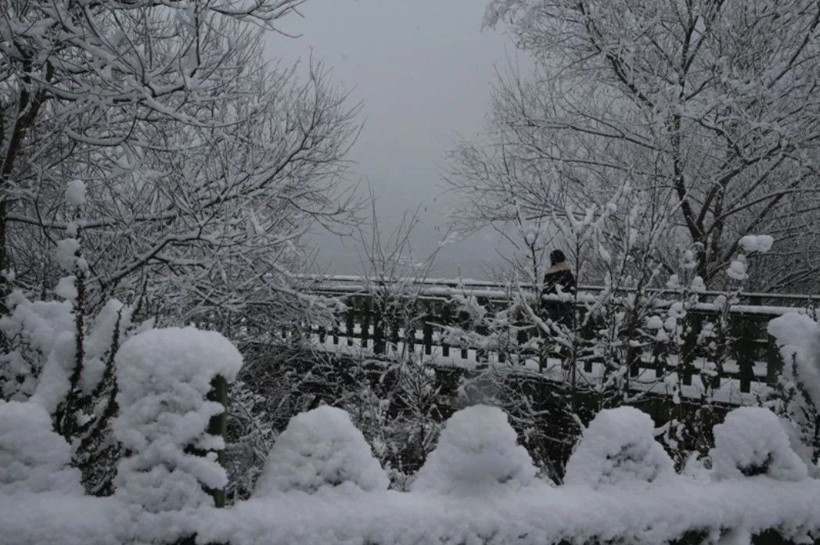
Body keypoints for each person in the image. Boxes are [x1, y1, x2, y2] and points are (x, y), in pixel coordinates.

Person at [541, 249, 576, 328]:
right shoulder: (568, 273)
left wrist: (542, 305)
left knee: (552, 331)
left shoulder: (549, 274)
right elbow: (572, 290)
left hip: (551, 307)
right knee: (566, 331)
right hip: (566, 307)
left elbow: (545, 291)